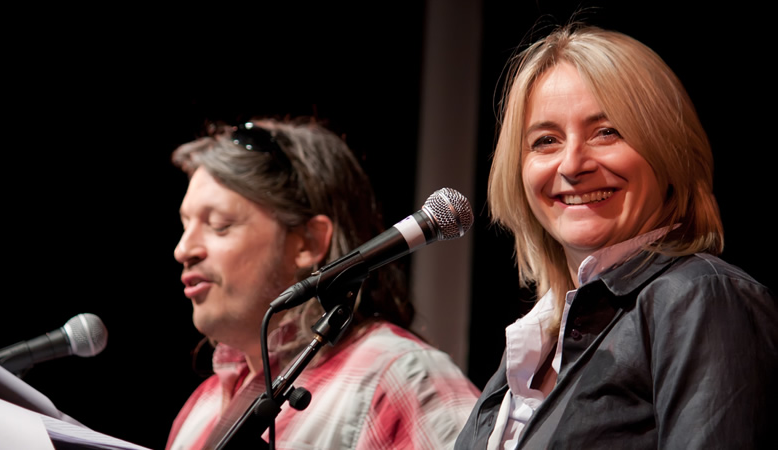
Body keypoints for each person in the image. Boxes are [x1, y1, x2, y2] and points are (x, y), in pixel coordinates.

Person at [454, 23, 778, 449]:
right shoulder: (541, 338)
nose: (572, 164)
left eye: (607, 132)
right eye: (546, 140)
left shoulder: (700, 297)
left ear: (667, 148)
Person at [166, 117, 480, 449]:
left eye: (219, 224)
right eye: (185, 224)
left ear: (307, 243)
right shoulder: (201, 407)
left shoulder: (400, 378)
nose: (183, 250)